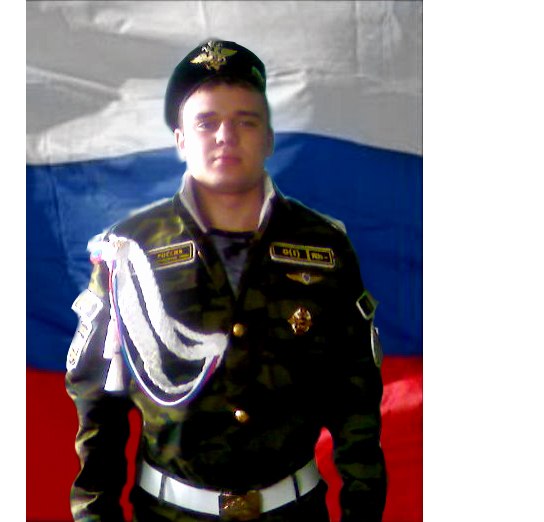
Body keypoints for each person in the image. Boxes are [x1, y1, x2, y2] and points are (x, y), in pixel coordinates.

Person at [65, 39, 387, 522]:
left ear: (269, 138)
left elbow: (356, 402)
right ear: (180, 140)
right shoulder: (130, 250)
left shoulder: (325, 248)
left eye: (246, 121)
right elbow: (98, 408)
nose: (226, 136)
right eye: (206, 122)